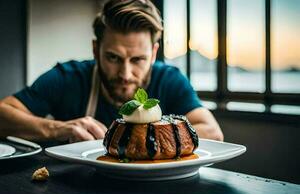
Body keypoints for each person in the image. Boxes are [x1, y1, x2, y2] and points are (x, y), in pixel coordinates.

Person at [0, 0, 223, 143]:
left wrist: (146, 140)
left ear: (154, 54)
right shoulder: (68, 77)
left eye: (138, 59)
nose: (125, 73)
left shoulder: (170, 80)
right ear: (96, 50)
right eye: (113, 58)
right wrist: (56, 129)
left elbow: (213, 133)